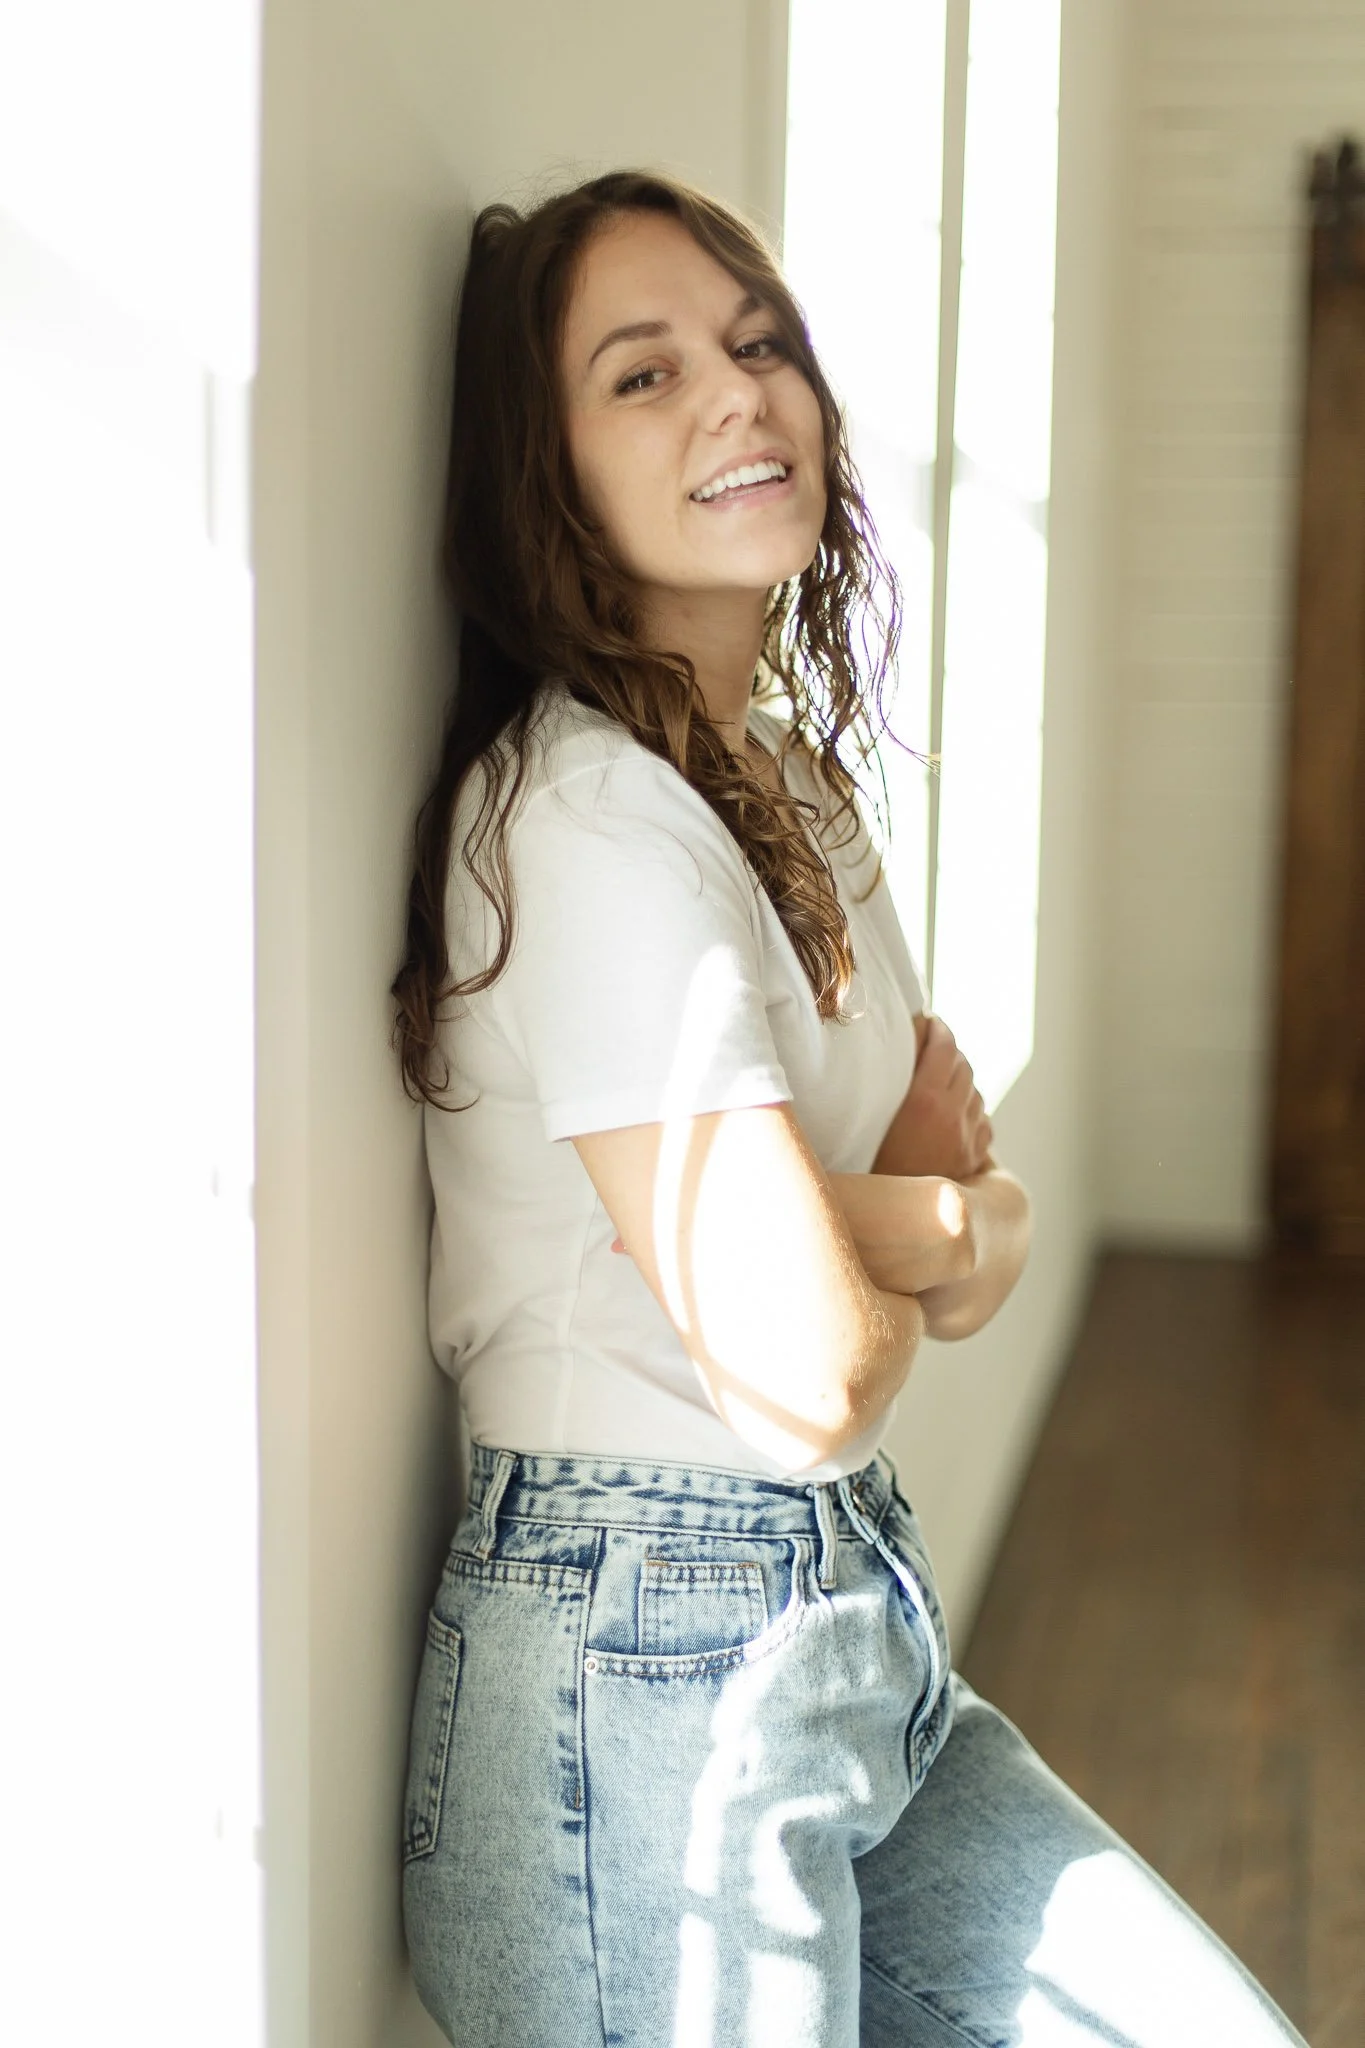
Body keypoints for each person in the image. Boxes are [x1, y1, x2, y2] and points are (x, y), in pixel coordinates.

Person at [391, 170, 1307, 2048]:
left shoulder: (790, 790)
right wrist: (919, 1219)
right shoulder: (586, 823)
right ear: (544, 477)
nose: (740, 393)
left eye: (759, 344)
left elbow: (965, 1248)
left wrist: (877, 1223)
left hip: (849, 1643)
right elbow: (818, 1369)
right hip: (642, 1689)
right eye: (643, 374)